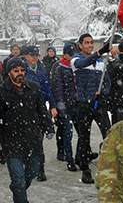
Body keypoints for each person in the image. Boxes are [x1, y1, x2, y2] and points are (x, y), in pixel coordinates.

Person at [0, 57, 55, 203]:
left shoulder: (34, 88)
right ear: (8, 73)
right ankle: (20, 195)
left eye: (22, 70)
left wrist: (48, 126)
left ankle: (18, 188)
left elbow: (42, 111)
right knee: (18, 178)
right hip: (11, 141)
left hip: (32, 139)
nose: (20, 73)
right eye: (16, 71)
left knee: (33, 171)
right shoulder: (0, 93)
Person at [71, 34, 112, 184]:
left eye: (91, 43)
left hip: (99, 104)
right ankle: (85, 169)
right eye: (86, 43)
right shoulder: (76, 60)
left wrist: (103, 92)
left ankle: (110, 166)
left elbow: (107, 81)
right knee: (84, 137)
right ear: (80, 45)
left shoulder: (101, 63)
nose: (89, 45)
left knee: (109, 133)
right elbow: (85, 63)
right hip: (83, 104)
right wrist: (100, 52)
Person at [22, 45, 57, 182]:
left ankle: (40, 169)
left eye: (36, 55)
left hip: (40, 109)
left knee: (38, 141)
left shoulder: (41, 69)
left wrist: (53, 105)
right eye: (31, 55)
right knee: (27, 141)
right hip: (26, 110)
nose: (34, 58)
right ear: (26, 56)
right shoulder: (22, 70)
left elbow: (47, 88)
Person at [50, 42, 80, 172]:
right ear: (64, 55)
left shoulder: (78, 66)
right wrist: (60, 106)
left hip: (78, 105)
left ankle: (80, 156)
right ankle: (69, 159)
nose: (72, 57)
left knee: (82, 133)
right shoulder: (59, 68)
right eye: (70, 54)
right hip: (67, 106)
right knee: (67, 134)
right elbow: (58, 89)